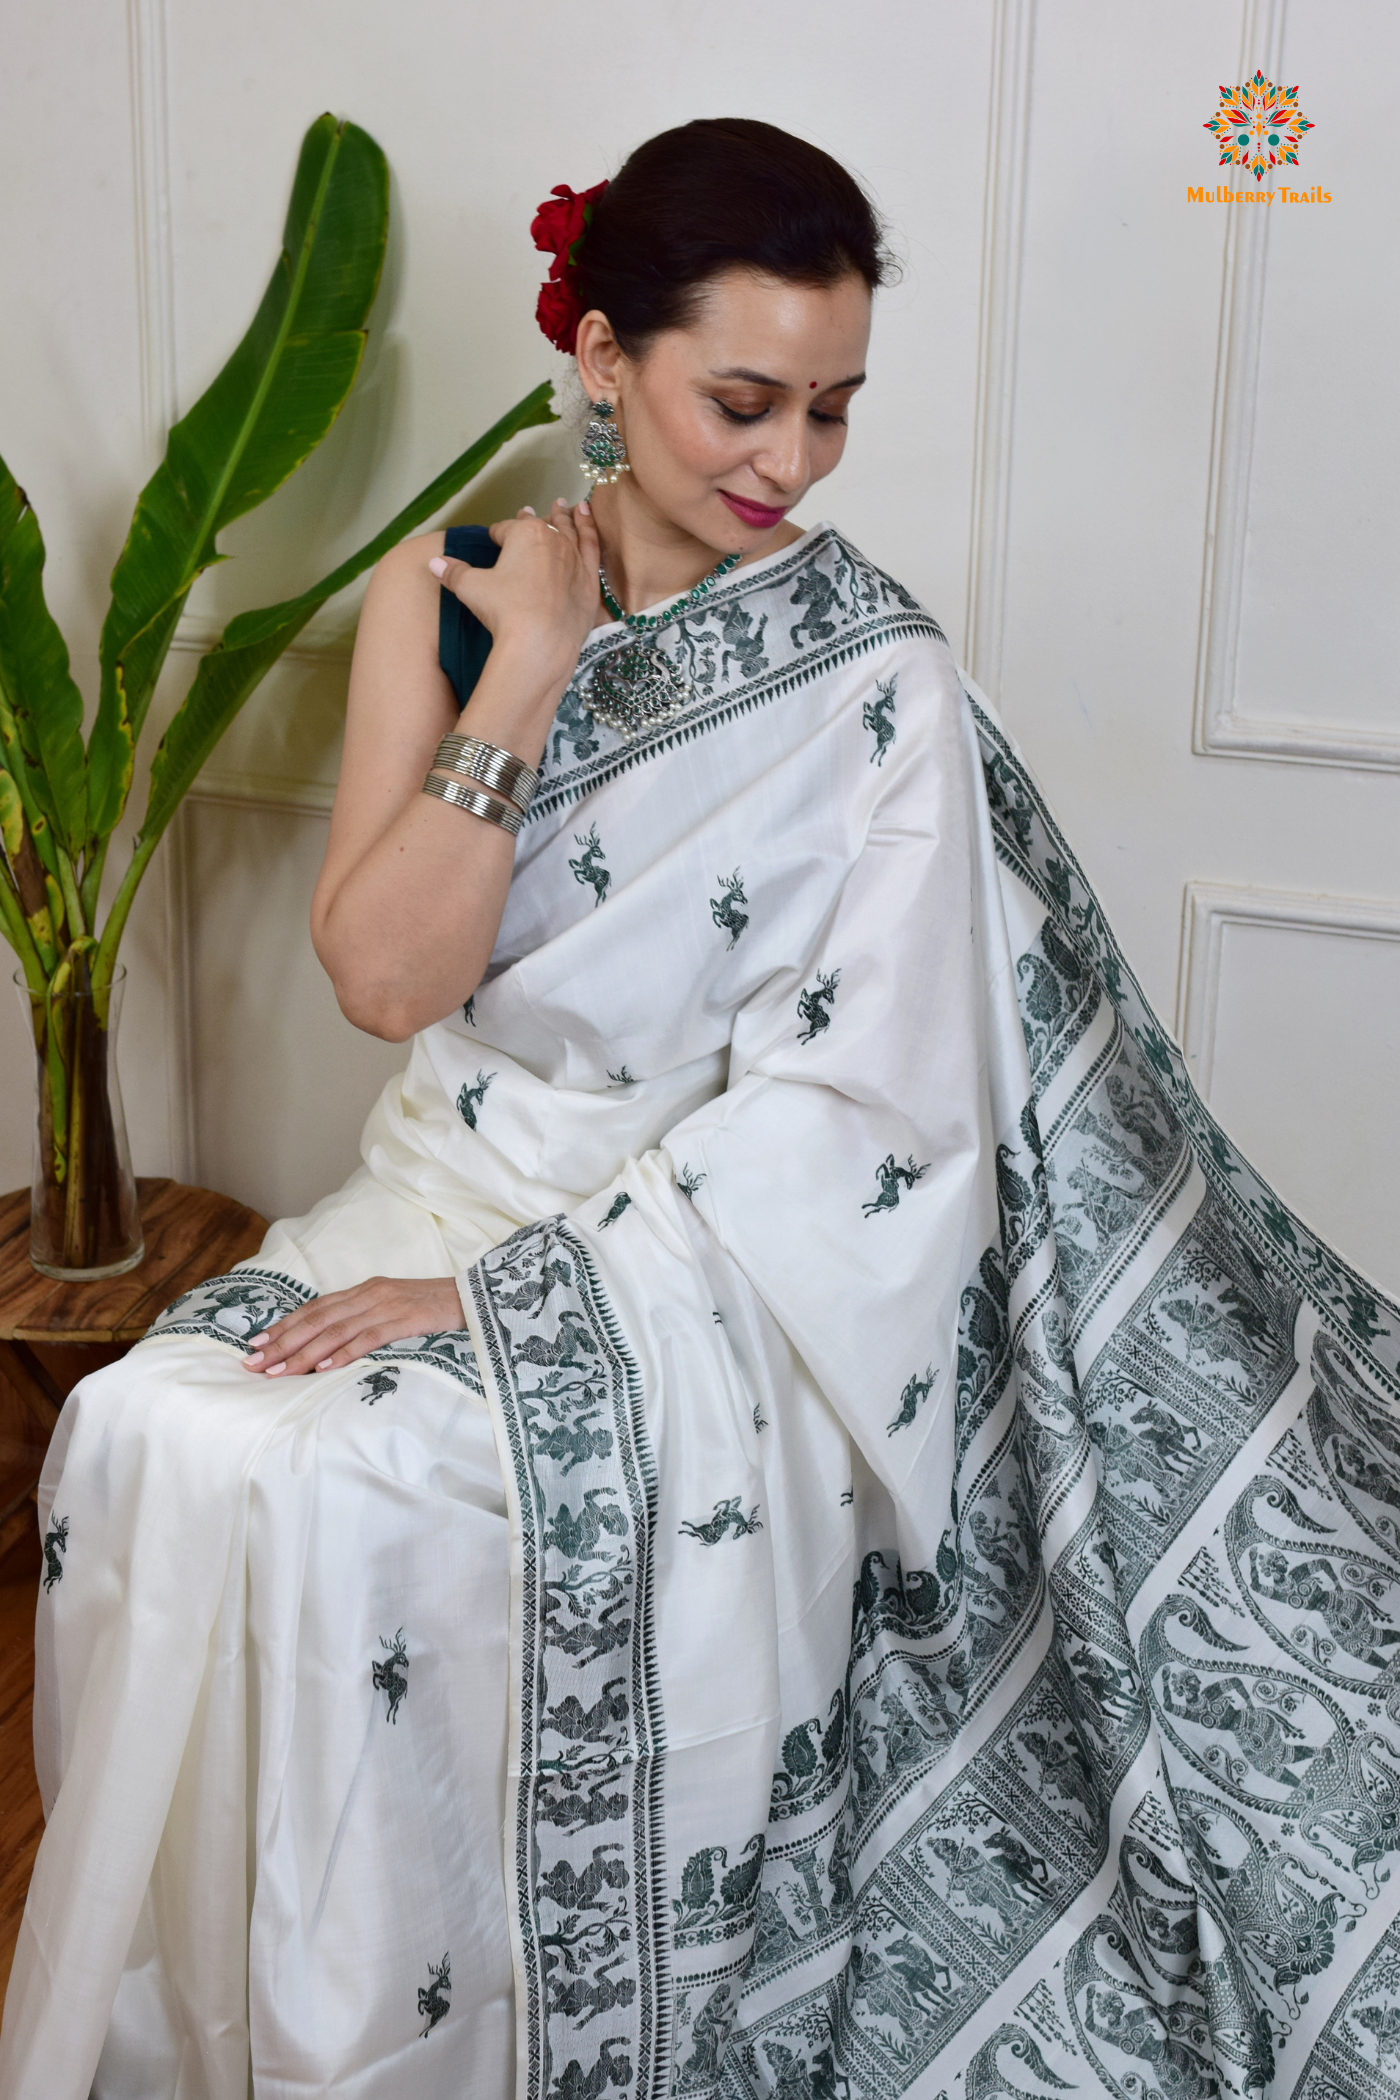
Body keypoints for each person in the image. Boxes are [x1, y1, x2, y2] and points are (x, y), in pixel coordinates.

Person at [5, 116, 1400, 2100]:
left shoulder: (875, 683)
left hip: (707, 1272)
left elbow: (865, 1114)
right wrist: (526, 680)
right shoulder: (459, 596)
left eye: (830, 412)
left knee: (326, 1494)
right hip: (430, 1191)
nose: (790, 464)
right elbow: (388, 982)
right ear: (598, 353)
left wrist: (516, 1307)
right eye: (741, 400)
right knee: (151, 1431)